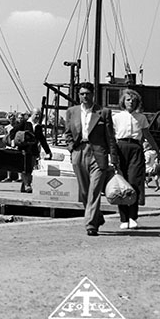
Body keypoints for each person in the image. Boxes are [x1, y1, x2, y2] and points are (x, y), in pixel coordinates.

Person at [63, 82, 117, 236]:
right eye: (82, 94)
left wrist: (113, 158)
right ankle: (97, 216)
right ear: (78, 95)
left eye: (87, 93)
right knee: (84, 191)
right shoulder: (72, 111)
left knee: (95, 190)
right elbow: (67, 132)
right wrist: (71, 147)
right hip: (79, 152)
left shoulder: (103, 112)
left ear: (93, 94)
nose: (85, 96)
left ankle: (91, 225)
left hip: (98, 154)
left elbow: (110, 137)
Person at [110, 89, 159, 230]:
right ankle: (123, 218)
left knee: (134, 182)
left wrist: (158, 152)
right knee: (121, 183)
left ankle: (132, 217)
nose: (131, 102)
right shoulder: (116, 117)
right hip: (121, 147)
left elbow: (147, 135)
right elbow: (111, 136)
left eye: (133, 100)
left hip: (136, 148)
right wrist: (111, 154)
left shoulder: (141, 118)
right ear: (123, 102)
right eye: (128, 99)